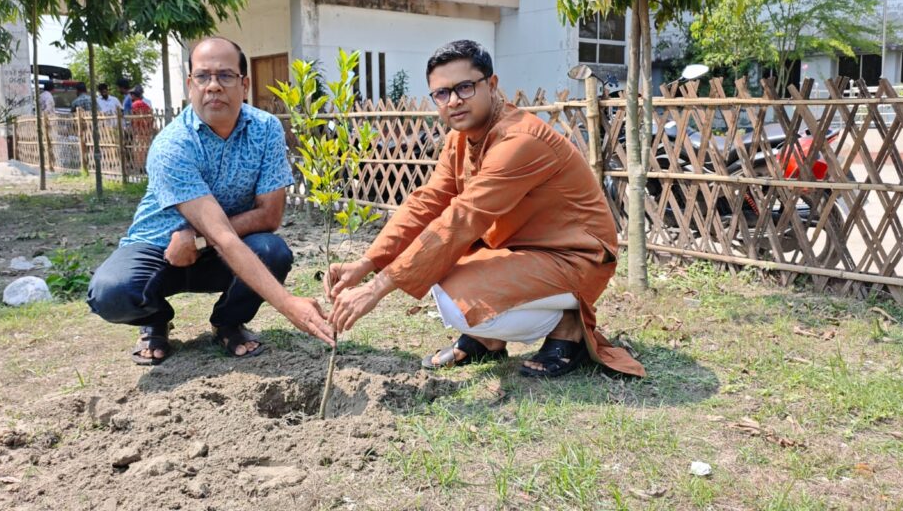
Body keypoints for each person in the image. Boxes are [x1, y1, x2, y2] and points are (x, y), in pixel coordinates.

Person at [326, 40, 644, 379]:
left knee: (454, 292)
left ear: (491, 85)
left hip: (577, 257)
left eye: (464, 87)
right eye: (442, 93)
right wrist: (368, 263)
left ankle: (569, 327)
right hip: (522, 250)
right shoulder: (460, 138)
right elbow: (428, 202)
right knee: (437, 266)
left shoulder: (519, 140)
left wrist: (375, 289)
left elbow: (463, 218)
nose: (454, 100)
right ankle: (487, 339)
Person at [87, 37, 334, 365]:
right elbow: (222, 235)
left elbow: (269, 216)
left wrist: (198, 240)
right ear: (190, 85)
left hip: (221, 252)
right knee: (111, 292)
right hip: (160, 249)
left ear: (244, 85)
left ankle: (228, 322)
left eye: (226, 75)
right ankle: (155, 319)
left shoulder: (266, 130)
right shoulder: (173, 145)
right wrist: (289, 305)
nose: (213, 86)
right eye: (203, 76)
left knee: (272, 252)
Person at [128, 84, 155, 173]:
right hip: (146, 131)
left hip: (139, 131)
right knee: (145, 149)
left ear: (134, 95)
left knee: (138, 150)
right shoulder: (145, 104)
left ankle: (139, 168)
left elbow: (135, 118)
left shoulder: (135, 104)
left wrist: (133, 127)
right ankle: (144, 167)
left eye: (131, 95)